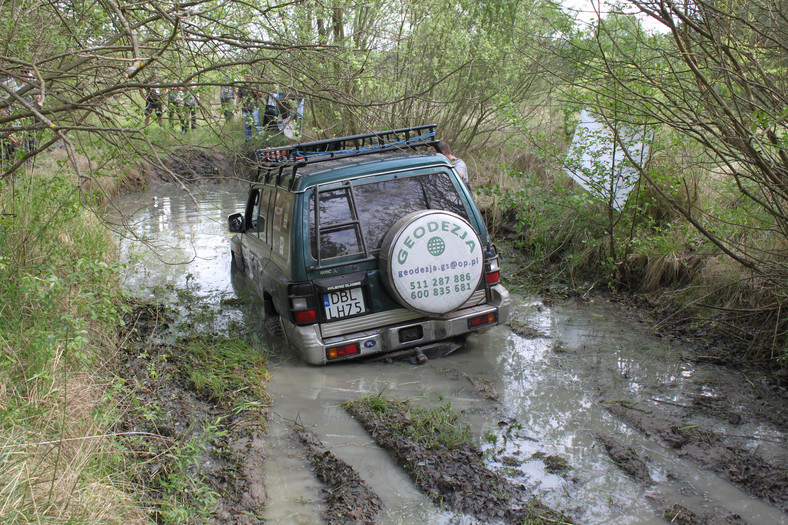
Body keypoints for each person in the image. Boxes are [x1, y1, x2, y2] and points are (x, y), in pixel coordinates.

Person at [236, 75, 262, 141]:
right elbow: (239, 97)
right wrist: (237, 106)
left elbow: (260, 95)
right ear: (244, 77)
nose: (248, 78)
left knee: (257, 123)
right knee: (247, 125)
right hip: (245, 108)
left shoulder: (255, 85)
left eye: (249, 76)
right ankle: (248, 139)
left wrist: (257, 92)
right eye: (246, 76)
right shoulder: (241, 86)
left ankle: (260, 138)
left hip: (254, 107)